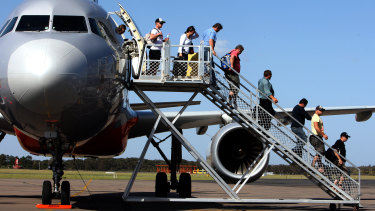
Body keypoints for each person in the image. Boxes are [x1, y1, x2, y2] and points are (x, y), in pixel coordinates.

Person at [202, 23, 223, 88]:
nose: (218, 31)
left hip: (202, 48)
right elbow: (211, 40)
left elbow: (202, 40)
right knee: (211, 66)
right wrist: (212, 50)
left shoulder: (206, 30)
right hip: (208, 49)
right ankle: (213, 83)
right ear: (217, 27)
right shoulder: (213, 32)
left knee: (206, 63)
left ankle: (211, 81)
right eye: (218, 30)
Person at [310, 105, 328, 172]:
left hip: (317, 136)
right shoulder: (315, 117)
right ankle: (313, 164)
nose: (322, 112)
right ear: (316, 110)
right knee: (320, 151)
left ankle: (320, 166)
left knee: (321, 151)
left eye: (322, 110)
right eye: (320, 110)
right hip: (315, 136)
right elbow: (316, 127)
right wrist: (323, 134)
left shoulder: (318, 117)